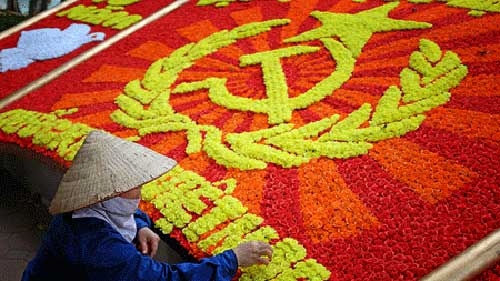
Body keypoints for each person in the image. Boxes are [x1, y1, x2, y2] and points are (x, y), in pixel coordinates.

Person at [22, 130, 273, 281]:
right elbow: (164, 279)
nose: (140, 190)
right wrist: (233, 259)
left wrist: (141, 226)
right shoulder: (100, 246)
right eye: (135, 184)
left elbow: (129, 215)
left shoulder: (87, 208)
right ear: (110, 192)